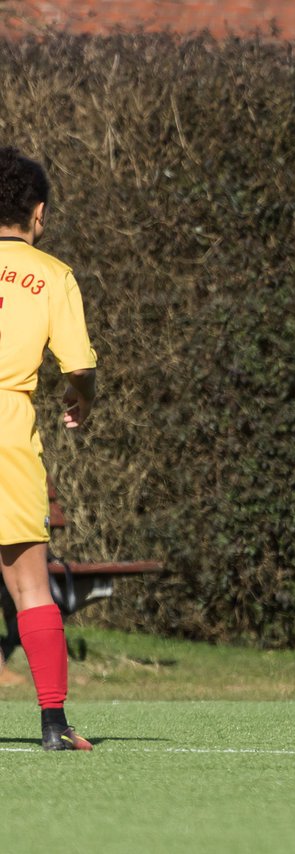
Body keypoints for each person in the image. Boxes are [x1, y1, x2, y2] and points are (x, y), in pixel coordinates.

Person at [0, 146, 97, 751]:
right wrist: (81, 395)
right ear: (38, 213)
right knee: (31, 585)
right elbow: (79, 364)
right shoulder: (53, 274)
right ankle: (54, 726)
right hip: (7, 427)